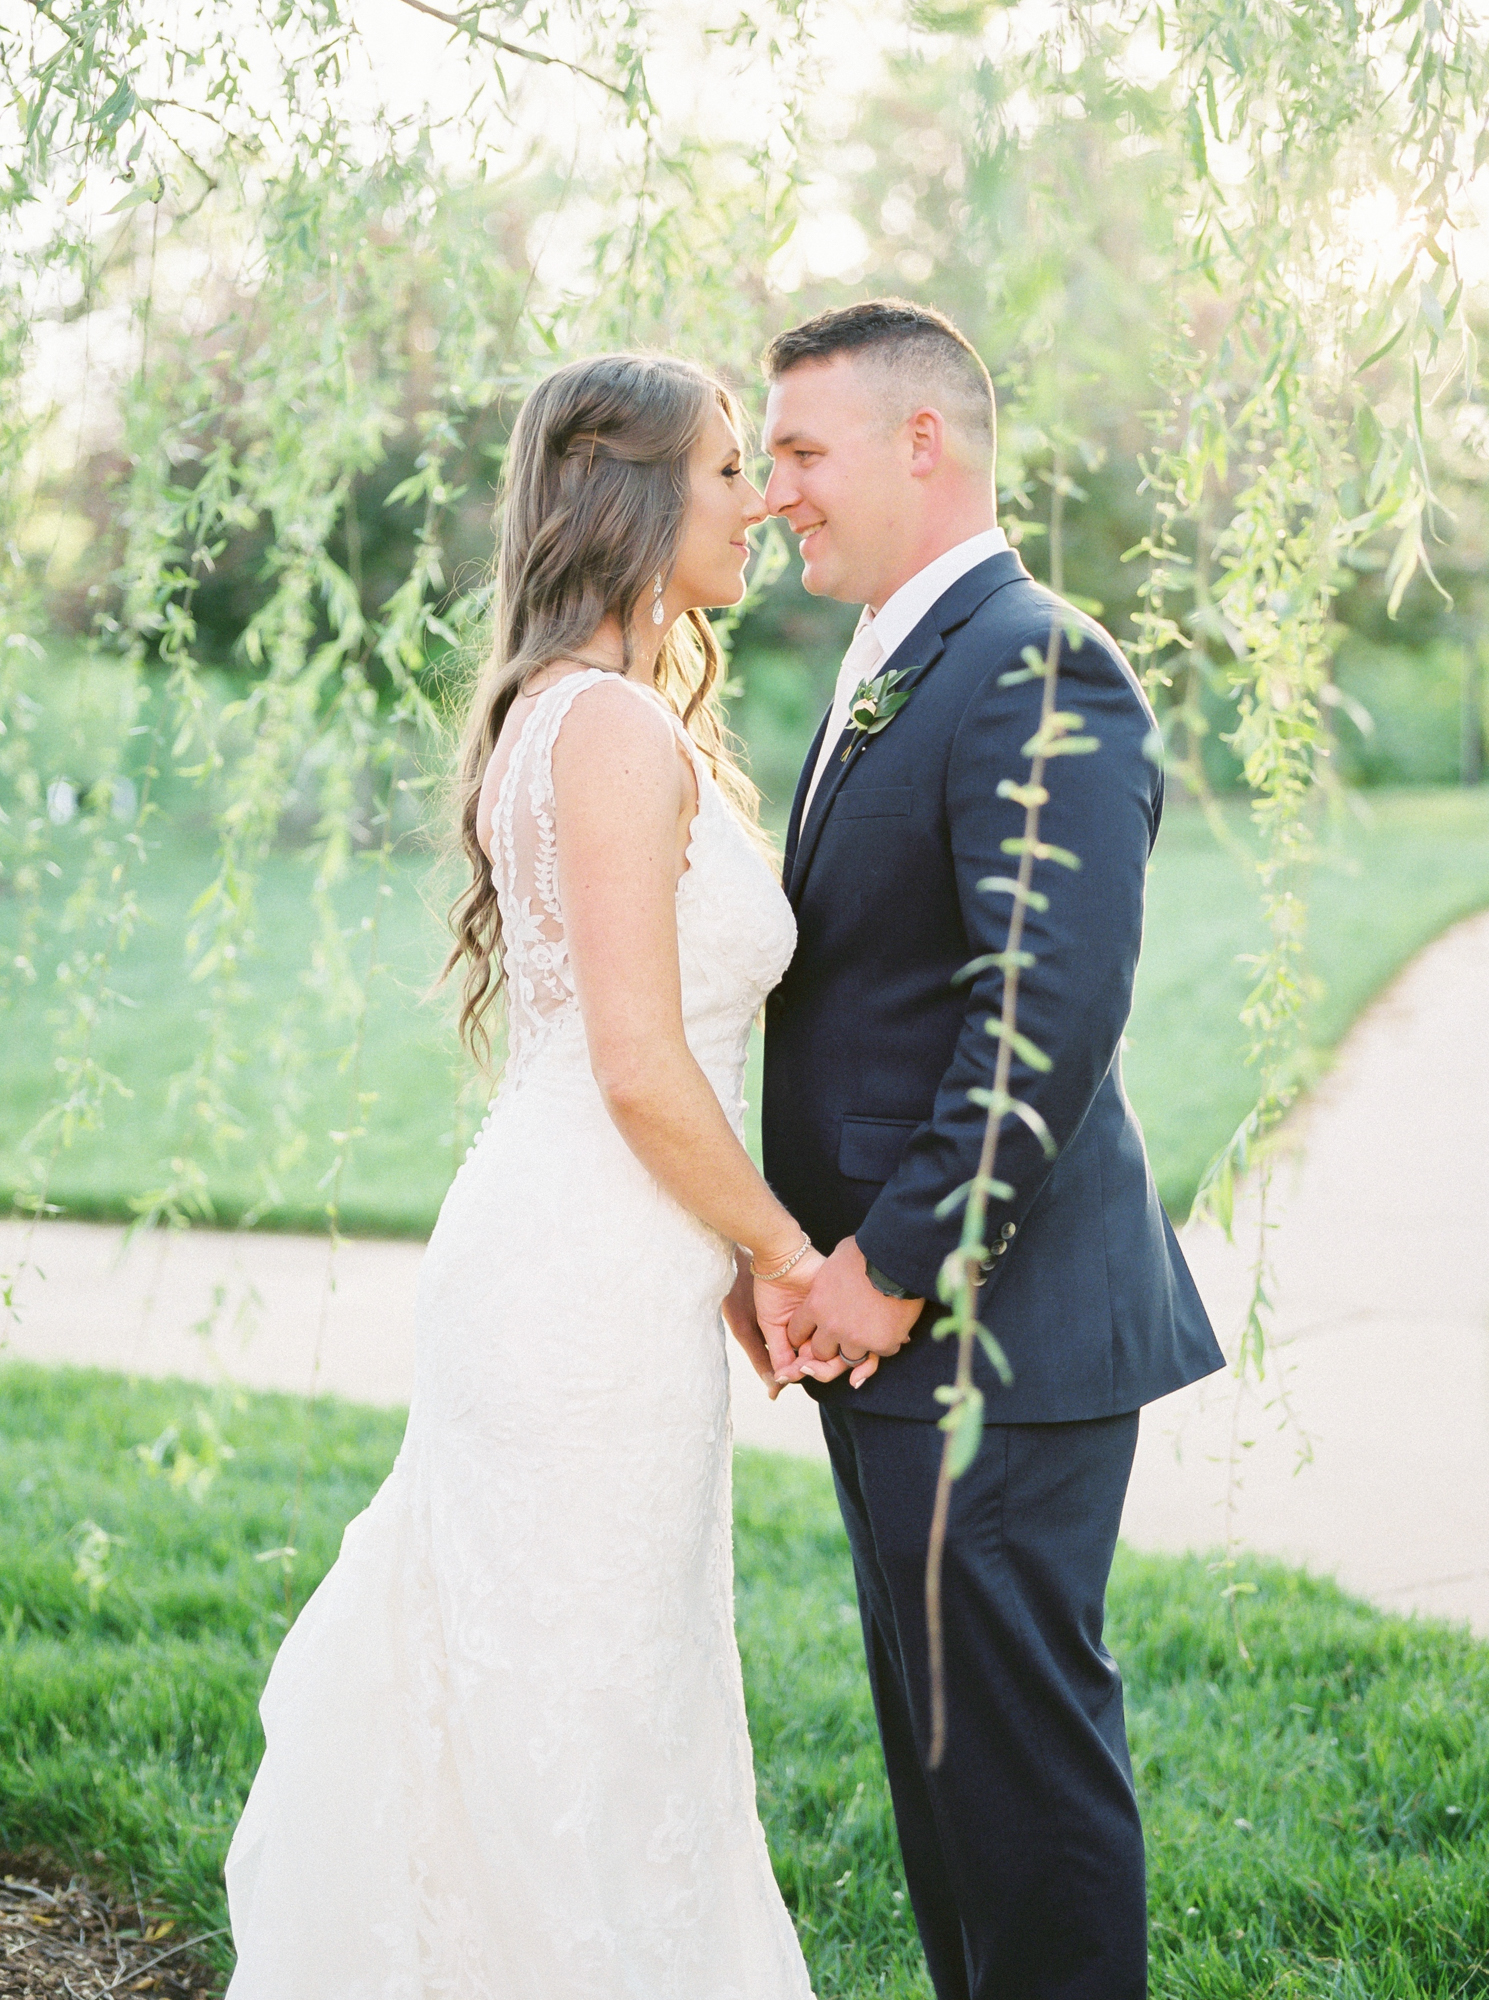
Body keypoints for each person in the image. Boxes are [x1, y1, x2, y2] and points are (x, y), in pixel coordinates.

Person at [223, 352, 845, 1996]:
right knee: (575, 1687)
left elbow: (629, 1058)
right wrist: (781, 1253)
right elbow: (637, 1064)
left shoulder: (587, 717)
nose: (760, 501)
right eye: (728, 472)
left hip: (609, 1255)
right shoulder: (610, 731)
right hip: (575, 1281)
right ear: (637, 498)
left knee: (613, 1677)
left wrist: (715, 1263)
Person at [754, 299, 1226, 2000]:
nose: (769, 492)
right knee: (948, 1786)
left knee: (1018, 1788)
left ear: (920, 441)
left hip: (992, 1331)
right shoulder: (891, 662)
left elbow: (1043, 1012)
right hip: (897, 1336)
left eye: (799, 450)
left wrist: (886, 1266)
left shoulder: (1033, 654)